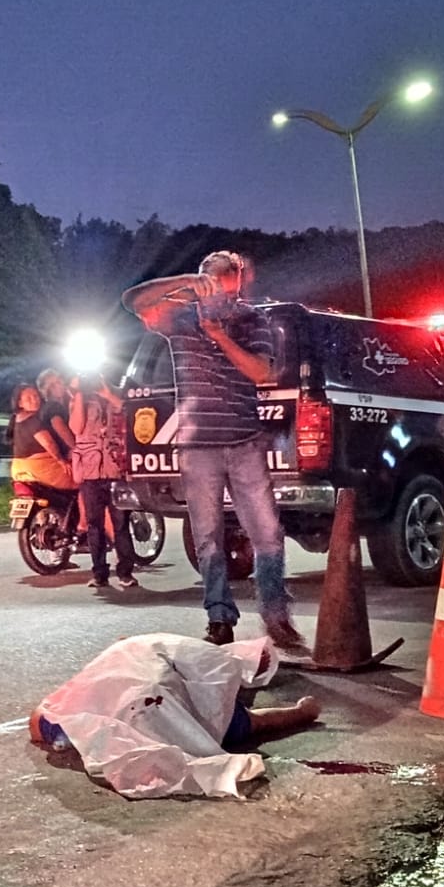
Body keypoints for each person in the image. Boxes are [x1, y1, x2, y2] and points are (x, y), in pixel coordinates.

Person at [121, 251, 306, 653]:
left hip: (243, 440)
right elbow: (132, 301)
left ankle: (276, 615)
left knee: (267, 533)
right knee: (207, 535)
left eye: (226, 280)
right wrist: (181, 281)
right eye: (211, 279)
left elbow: (261, 372)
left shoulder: (252, 319)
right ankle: (219, 617)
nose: (218, 290)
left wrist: (220, 335)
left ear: (237, 282)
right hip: (197, 444)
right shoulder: (180, 318)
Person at [28, 631, 320, 800]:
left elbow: (39, 721)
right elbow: (206, 662)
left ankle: (300, 712)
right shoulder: (145, 648)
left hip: (129, 708)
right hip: (172, 708)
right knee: (244, 719)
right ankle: (302, 712)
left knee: (242, 717)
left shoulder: (119, 658)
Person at [69, 371, 138, 589]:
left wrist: (106, 392)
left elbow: (128, 411)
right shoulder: (78, 400)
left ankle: (126, 572)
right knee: (94, 525)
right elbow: (76, 427)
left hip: (115, 468)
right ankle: (99, 574)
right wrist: (79, 393)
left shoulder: (115, 393)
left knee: (120, 524)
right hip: (90, 472)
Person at [9, 383, 76, 495]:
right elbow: (49, 443)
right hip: (43, 470)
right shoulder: (32, 420)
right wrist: (62, 461)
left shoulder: (17, 420)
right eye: (29, 398)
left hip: (19, 471)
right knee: (83, 482)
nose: (34, 400)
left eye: (36, 396)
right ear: (19, 403)